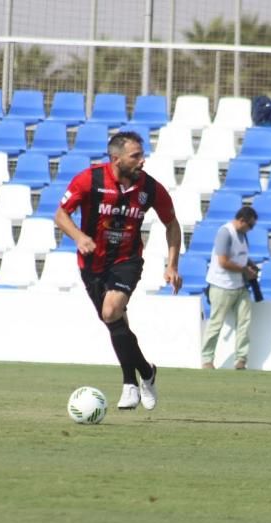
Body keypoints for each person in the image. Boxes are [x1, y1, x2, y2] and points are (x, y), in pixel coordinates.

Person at [54, 131, 183, 411]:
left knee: (111, 311)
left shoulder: (150, 188)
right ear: (116, 159)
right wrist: (79, 237)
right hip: (91, 264)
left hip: (127, 260)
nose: (142, 160)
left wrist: (172, 264)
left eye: (142, 154)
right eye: (135, 156)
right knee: (115, 323)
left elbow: (172, 224)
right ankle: (144, 373)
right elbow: (61, 214)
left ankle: (130, 383)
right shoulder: (90, 179)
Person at [200, 206, 259, 371]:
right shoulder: (225, 233)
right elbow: (223, 261)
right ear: (242, 221)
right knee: (215, 324)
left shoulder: (243, 235)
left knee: (245, 322)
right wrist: (245, 270)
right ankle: (207, 359)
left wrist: (250, 264)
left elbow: (240, 256)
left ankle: (241, 359)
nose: (251, 229)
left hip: (239, 285)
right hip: (221, 285)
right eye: (250, 225)